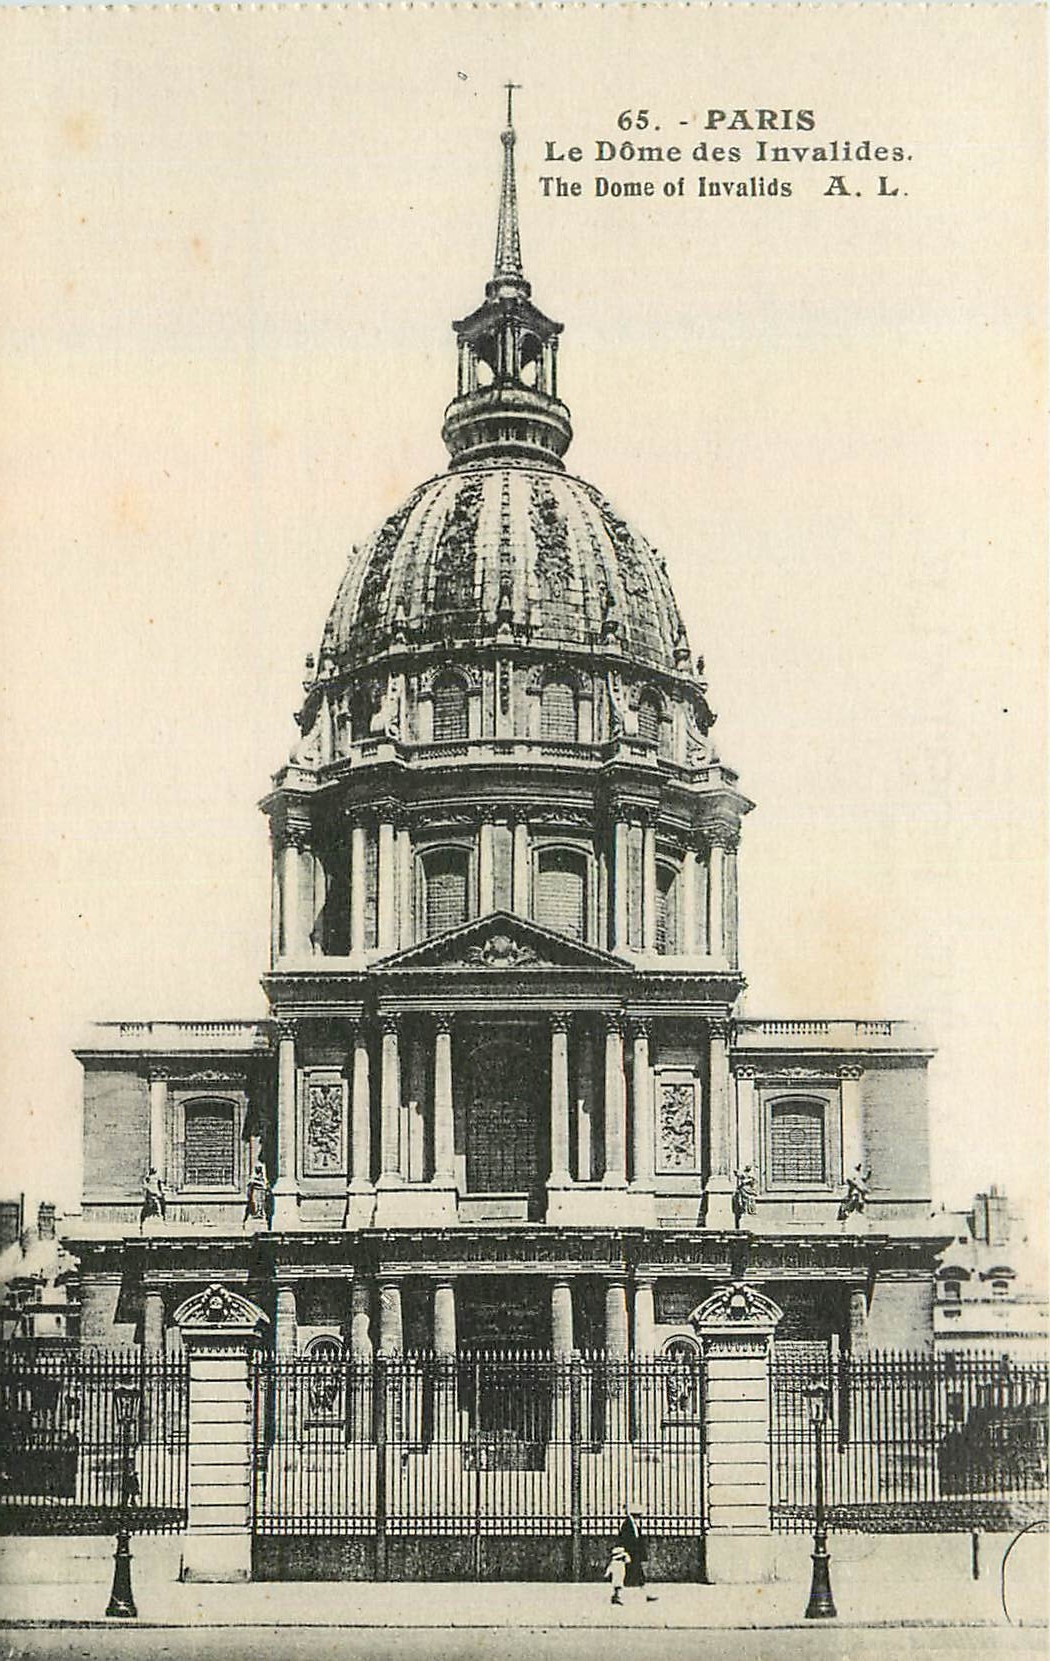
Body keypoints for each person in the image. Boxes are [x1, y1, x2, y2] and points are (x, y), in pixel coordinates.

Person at [616, 1506, 657, 1601]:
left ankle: (646, 1594)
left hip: (634, 1554)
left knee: (638, 1576)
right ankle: (617, 1595)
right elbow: (626, 1540)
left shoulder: (633, 1524)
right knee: (625, 1576)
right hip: (631, 1554)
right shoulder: (627, 1524)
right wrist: (626, 1554)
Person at [243, 1160, 272, 1228]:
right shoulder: (254, 1176)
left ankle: (260, 1214)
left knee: (261, 1203)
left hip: (261, 1192)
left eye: (259, 1168)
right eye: (257, 1168)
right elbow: (251, 1182)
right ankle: (255, 1214)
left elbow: (266, 1184)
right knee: (255, 1203)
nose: (258, 1169)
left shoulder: (262, 1177)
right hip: (255, 1191)